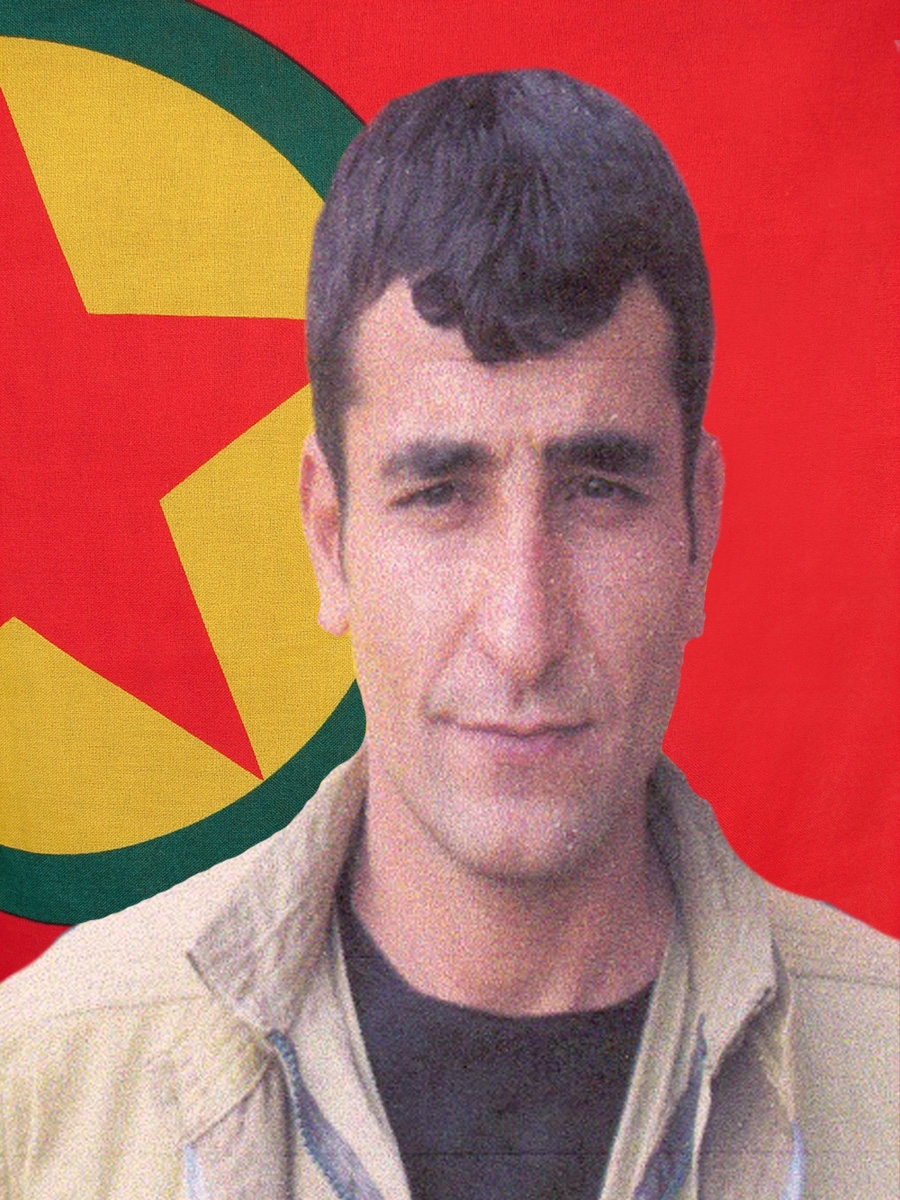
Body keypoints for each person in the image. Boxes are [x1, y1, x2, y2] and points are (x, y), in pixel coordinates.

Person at [0, 70, 897, 1200]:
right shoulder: (40, 1091)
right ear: (330, 539)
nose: (524, 635)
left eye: (599, 491)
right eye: (439, 495)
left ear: (699, 532)